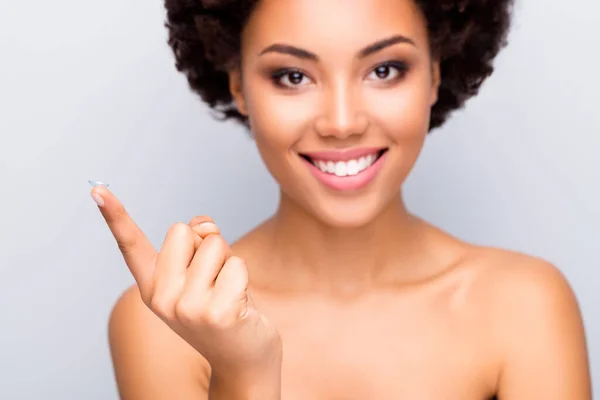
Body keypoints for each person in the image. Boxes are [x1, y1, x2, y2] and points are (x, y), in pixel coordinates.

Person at [91, 0, 592, 398]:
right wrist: (245, 373)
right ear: (238, 86)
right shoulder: (169, 322)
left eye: (384, 69)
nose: (342, 122)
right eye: (293, 76)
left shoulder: (525, 306)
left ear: (436, 74)